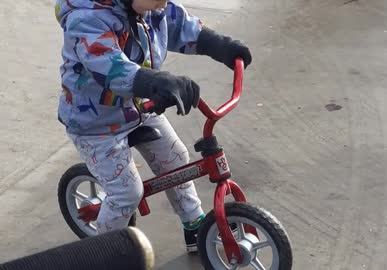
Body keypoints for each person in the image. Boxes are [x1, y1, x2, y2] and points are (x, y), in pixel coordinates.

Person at [55, 0, 252, 252]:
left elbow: (181, 26)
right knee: (126, 193)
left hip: (139, 108)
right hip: (95, 123)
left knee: (177, 157)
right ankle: (104, 252)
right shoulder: (87, 20)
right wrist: (156, 81)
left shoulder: (153, 7)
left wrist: (221, 46)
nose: (163, 1)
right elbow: (110, 67)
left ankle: (194, 224)